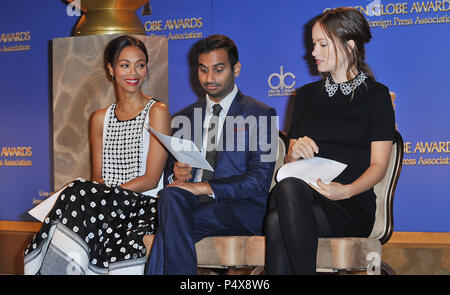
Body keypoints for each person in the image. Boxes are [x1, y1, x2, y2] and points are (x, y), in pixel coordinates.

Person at [24, 35, 171, 275]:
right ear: (111, 69)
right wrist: (102, 197)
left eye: (140, 64)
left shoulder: (157, 112)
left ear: (146, 69)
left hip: (143, 205)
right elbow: (98, 178)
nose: (133, 72)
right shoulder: (100, 118)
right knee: (80, 193)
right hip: (105, 203)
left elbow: (151, 179)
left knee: (77, 191)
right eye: (124, 65)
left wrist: (106, 197)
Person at [264, 7, 396, 274]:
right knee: (286, 191)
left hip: (351, 202)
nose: (314, 52)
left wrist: (345, 191)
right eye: (314, 44)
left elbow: (379, 166)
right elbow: (290, 162)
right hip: (303, 195)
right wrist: (293, 153)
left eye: (323, 44)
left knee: (277, 218)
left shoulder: (377, 96)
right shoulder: (305, 96)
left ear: (349, 46)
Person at [145, 34, 277, 275]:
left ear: (236, 69)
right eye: (203, 70)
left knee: (170, 228)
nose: (209, 79)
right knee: (170, 195)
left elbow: (259, 181)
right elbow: (171, 175)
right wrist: (177, 176)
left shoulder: (261, 114)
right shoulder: (184, 117)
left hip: (239, 208)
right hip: (193, 204)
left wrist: (204, 187)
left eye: (218, 70)